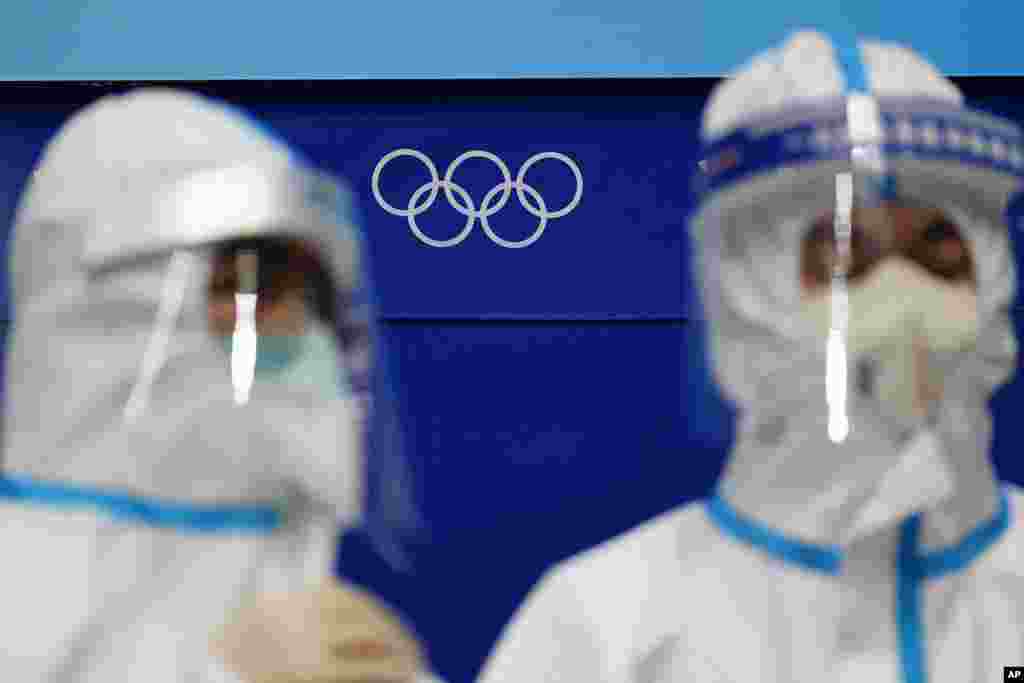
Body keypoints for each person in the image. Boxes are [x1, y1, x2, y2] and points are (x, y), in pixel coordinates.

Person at [477, 30, 1024, 683]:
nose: (906, 294)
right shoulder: (610, 623)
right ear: (748, 293)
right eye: (850, 256)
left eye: (939, 250)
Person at [0, 87, 438, 683]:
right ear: (103, 317)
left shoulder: (302, 581)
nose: (298, 332)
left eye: (306, 297)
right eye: (246, 287)